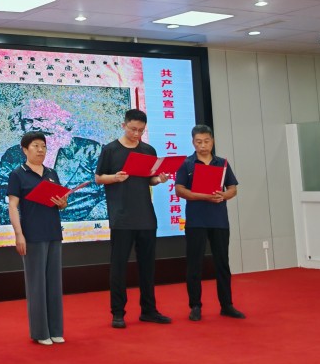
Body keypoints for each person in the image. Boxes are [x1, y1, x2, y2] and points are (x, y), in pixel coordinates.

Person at [94, 108, 172, 328]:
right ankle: (118, 313)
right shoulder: (110, 150)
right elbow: (99, 178)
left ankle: (149, 310)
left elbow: (150, 179)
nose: (136, 134)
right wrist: (115, 178)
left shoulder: (148, 150)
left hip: (146, 216)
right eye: (133, 129)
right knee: (119, 267)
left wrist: (160, 179)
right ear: (124, 125)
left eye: (141, 130)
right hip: (122, 217)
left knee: (147, 267)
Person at [0, 99, 104, 226]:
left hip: (79, 224)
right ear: (20, 125)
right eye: (28, 121)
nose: (35, 125)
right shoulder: (16, 153)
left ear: (59, 121)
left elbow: (110, 192)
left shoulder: (91, 150)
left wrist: (91, 222)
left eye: (41, 119)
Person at [174, 124, 245, 321]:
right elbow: (179, 190)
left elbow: (233, 189)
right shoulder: (187, 164)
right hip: (196, 220)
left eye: (206, 141)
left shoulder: (222, 163)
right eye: (198, 142)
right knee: (194, 264)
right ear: (193, 142)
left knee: (222, 263)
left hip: (219, 220)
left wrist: (224, 195)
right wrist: (202, 196)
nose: (203, 145)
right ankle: (195, 306)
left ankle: (227, 305)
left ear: (212, 141)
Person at [7, 132, 69, 345]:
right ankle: (41, 332)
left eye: (43, 146)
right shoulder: (18, 174)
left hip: (53, 232)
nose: (41, 149)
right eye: (35, 145)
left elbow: (61, 203)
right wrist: (19, 234)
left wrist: (62, 203)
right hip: (32, 235)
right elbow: (13, 206)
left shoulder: (51, 173)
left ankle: (56, 329)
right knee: (37, 285)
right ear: (25, 149)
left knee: (54, 283)